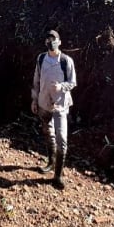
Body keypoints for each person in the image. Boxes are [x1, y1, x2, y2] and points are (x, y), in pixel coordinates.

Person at [31, 30, 77, 190]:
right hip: (44, 103)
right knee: (48, 133)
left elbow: (72, 82)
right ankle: (50, 162)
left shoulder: (66, 61)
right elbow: (36, 80)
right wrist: (34, 99)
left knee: (62, 139)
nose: (51, 42)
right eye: (48, 39)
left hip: (60, 106)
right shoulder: (41, 58)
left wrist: (61, 86)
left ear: (60, 41)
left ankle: (58, 176)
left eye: (54, 39)